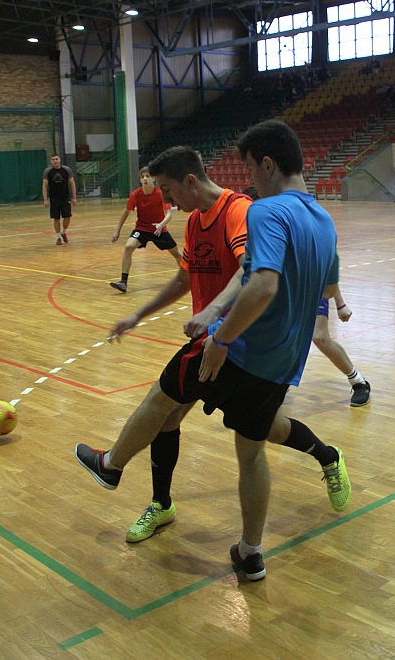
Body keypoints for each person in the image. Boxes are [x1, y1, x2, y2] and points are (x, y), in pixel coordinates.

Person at [75, 121, 350, 581]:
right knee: (251, 448)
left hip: (237, 348)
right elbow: (316, 283)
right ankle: (250, 551)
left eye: (250, 168)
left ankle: (111, 465)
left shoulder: (261, 211)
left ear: (267, 164)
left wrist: (219, 334)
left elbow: (258, 280)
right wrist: (145, 314)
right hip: (281, 362)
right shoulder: (324, 221)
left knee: (162, 398)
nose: (249, 179)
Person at [109, 167, 182, 293]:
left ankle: (189, 277)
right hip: (141, 229)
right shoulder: (136, 195)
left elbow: (169, 214)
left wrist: (161, 224)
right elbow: (125, 212)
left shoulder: (160, 194)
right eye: (142, 177)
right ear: (140, 180)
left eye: (148, 176)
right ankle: (123, 282)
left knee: (177, 254)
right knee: (128, 247)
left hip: (158, 229)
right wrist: (117, 230)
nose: (145, 179)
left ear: (153, 179)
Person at [314, 286, 370, 407]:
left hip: (315, 288)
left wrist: (340, 303)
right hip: (287, 288)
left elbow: (330, 272)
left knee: (320, 337)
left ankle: (358, 382)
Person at [42, 153, 77, 245]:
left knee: (67, 216)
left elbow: (72, 184)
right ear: (51, 161)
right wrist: (45, 200)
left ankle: (64, 232)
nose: (55, 161)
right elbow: (44, 186)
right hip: (54, 198)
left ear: (60, 160)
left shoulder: (66, 170)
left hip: (65, 197)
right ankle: (58, 237)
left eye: (56, 159)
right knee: (56, 218)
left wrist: (74, 198)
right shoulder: (48, 171)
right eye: (53, 159)